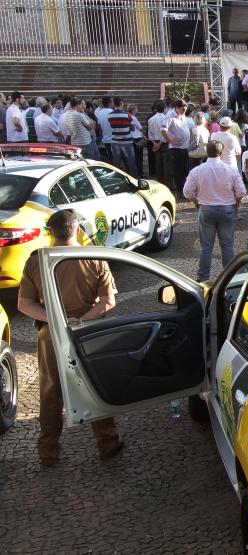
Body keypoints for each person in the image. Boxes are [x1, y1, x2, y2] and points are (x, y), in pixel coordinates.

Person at [19, 209, 121, 466]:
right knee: (92, 385)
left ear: (50, 233)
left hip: (50, 335)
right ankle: (107, 443)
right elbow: (108, 303)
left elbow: (24, 304)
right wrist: (81, 320)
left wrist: (56, 319)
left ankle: (48, 451)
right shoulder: (94, 258)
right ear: (77, 230)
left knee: (51, 393)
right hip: (85, 334)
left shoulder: (36, 260)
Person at [183, 141, 246, 281]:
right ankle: (229, 278)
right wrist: (236, 202)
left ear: (207, 153)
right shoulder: (231, 170)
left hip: (206, 209)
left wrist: (196, 200)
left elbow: (187, 191)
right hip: (227, 210)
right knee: (227, 246)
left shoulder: (197, 170)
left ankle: (203, 277)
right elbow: (241, 191)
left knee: (206, 247)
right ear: (221, 153)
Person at [161, 99, 190, 192]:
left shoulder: (181, 114)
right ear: (177, 108)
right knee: (178, 170)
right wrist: (172, 141)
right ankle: (179, 190)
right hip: (177, 148)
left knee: (184, 169)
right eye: (183, 109)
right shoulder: (169, 116)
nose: (184, 111)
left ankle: (183, 188)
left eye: (185, 109)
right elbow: (163, 130)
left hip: (185, 147)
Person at [108, 98, 139, 176]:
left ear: (114, 104)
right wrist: (126, 127)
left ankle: (117, 179)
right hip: (127, 141)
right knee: (131, 162)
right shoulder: (127, 115)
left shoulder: (110, 115)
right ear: (121, 104)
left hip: (115, 141)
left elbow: (112, 126)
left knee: (116, 163)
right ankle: (134, 179)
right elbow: (133, 128)